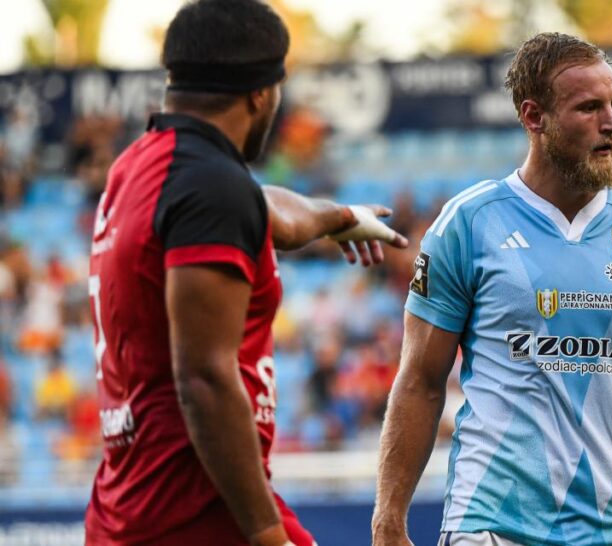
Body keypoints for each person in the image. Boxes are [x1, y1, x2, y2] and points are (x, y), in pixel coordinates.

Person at [371, 32, 612, 546]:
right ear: (534, 117)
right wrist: (388, 521)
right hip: (492, 525)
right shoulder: (468, 224)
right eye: (589, 108)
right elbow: (420, 381)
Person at [84, 1, 408, 545]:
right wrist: (267, 536)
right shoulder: (212, 188)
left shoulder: (139, 168)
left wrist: (338, 217)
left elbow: (269, 210)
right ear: (262, 94)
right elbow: (203, 378)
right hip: (196, 510)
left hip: (131, 502)